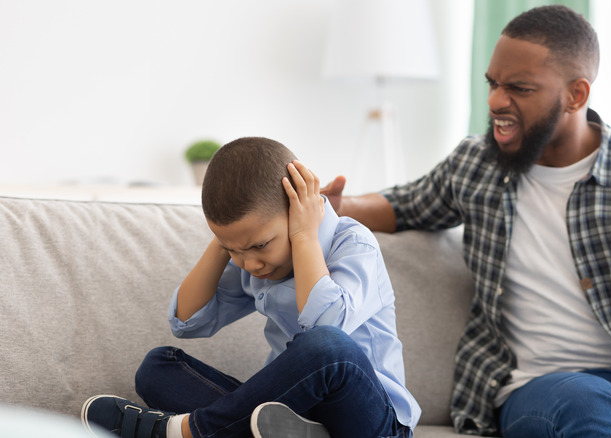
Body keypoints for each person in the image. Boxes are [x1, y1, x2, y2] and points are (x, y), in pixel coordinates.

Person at [322, 5, 611, 437]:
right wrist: (335, 206)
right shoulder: (475, 163)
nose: (495, 101)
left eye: (519, 89)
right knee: (588, 402)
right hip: (545, 386)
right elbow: (402, 205)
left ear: (576, 94)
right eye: (492, 83)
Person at [81, 137, 420, 438]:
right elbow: (186, 321)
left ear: (297, 210)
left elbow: (326, 324)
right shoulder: (251, 259)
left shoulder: (353, 243)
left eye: (259, 246)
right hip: (292, 415)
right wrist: (225, 244)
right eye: (234, 250)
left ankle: (188, 431)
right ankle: (264, 431)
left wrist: (304, 236)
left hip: (374, 422)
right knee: (157, 368)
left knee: (328, 345)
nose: (251, 264)